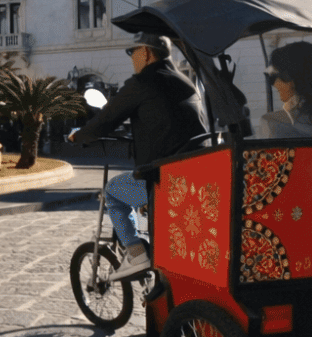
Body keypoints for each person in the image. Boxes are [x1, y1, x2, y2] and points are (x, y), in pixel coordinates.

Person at [68, 33, 208, 271]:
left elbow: (106, 118)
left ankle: (136, 254)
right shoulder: (184, 81)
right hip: (196, 174)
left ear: (146, 52)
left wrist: (78, 136)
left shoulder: (143, 83)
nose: (131, 57)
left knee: (113, 192)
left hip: (163, 179)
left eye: (132, 51)